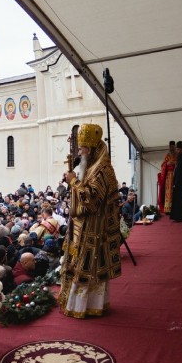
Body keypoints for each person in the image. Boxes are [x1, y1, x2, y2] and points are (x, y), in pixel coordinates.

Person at [59, 123, 122, 318]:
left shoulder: (103, 169)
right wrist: (73, 180)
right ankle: (79, 305)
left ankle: (86, 306)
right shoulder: (91, 166)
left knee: (88, 267)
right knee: (79, 264)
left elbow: (92, 200)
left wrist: (73, 182)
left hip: (96, 227)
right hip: (84, 226)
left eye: (83, 148)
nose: (80, 151)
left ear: (93, 148)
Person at [157, 141, 177, 214]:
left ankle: (175, 208)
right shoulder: (167, 155)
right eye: (170, 146)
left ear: (175, 147)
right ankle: (168, 209)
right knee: (168, 192)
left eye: (172, 146)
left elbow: (178, 163)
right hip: (168, 177)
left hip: (175, 175)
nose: (171, 148)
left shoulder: (177, 155)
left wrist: (173, 163)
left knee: (174, 192)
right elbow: (163, 165)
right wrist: (167, 163)